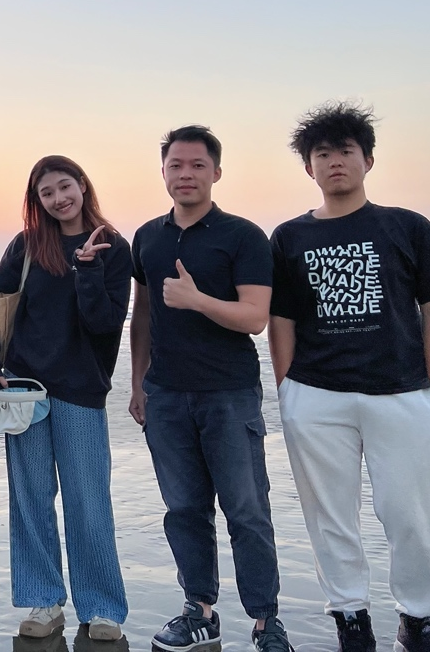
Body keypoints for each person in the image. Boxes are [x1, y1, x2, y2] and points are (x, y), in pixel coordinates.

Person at [268, 102, 430, 652]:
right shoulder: (288, 237)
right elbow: (280, 320)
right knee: (329, 517)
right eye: (322, 154)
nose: (334, 161)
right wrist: (288, 393)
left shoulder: (407, 225)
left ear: (368, 160)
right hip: (316, 395)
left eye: (345, 151)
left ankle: (418, 620)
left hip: (402, 393)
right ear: (309, 167)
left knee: (414, 515)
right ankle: (350, 618)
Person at [129, 126, 293, 652]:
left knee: (246, 510)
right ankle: (199, 612)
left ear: (216, 172)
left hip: (228, 393)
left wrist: (198, 299)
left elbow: (255, 318)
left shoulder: (243, 235)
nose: (186, 174)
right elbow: (143, 313)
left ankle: (266, 622)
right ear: (162, 172)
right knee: (183, 509)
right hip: (166, 395)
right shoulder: (147, 237)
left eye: (197, 165)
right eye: (176, 165)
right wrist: (137, 383)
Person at [0, 155, 131, 643]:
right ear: (36, 200)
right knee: (31, 499)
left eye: (65, 186)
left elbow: (105, 324)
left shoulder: (111, 246)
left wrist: (86, 268)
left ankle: (102, 607)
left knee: (88, 501)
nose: (59, 198)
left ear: (82, 185)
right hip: (24, 390)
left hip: (81, 388)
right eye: (47, 192)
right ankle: (44, 601)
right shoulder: (27, 245)